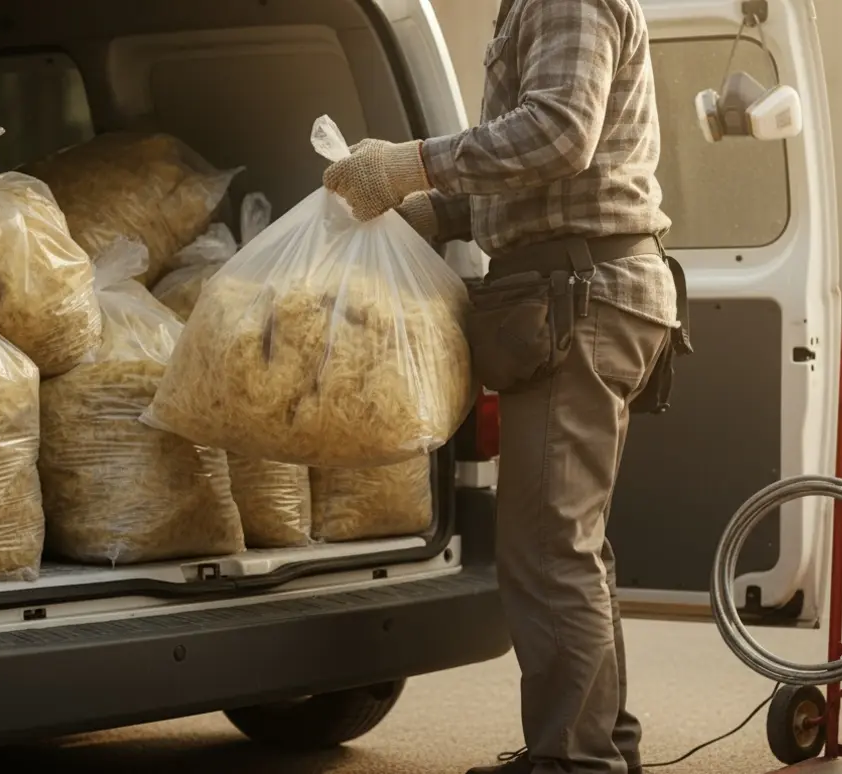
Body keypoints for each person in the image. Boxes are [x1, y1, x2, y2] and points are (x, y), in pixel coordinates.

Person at [323, 0, 689, 770]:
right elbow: (524, 175)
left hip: (578, 295)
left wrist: (407, 163)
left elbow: (558, 132)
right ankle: (598, 747)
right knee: (568, 544)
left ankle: (572, 761)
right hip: (579, 290)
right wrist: (424, 212)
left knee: (550, 549)